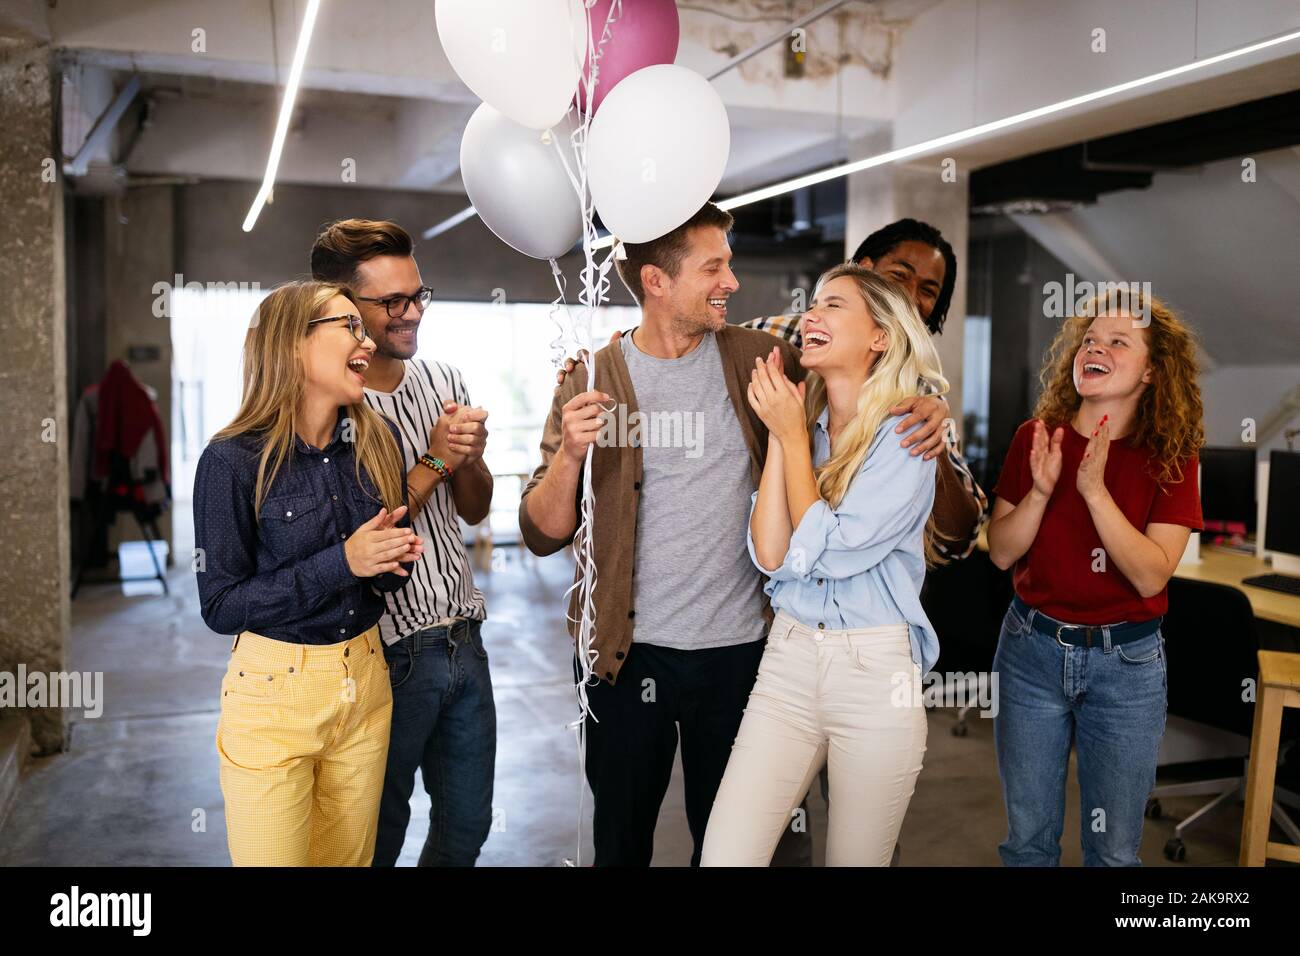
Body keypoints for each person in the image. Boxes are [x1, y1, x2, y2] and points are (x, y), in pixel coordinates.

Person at [520, 202, 813, 865]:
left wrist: (924, 393)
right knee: (621, 844)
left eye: (729, 264)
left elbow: (859, 376)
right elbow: (541, 534)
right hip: (626, 660)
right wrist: (569, 456)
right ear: (656, 281)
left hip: (742, 656)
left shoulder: (762, 359)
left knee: (740, 848)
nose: (731, 282)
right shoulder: (588, 378)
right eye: (713, 267)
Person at [701, 265, 943, 866]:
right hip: (787, 663)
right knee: (725, 858)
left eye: (833, 306)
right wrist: (786, 437)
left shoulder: (907, 437)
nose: (810, 315)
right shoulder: (802, 432)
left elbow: (830, 553)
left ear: (881, 337)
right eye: (811, 304)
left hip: (874, 672)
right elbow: (772, 553)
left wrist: (785, 436)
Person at [194, 280, 423, 866]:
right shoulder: (230, 460)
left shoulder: (379, 441)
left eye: (361, 326)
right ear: (291, 345)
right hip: (272, 696)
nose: (366, 339)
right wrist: (342, 561)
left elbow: (378, 582)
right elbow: (221, 605)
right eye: (347, 325)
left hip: (366, 684)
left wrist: (387, 563)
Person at [986, 290, 1204, 866]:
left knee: (1112, 853)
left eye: (1117, 341)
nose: (1095, 347)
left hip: (1126, 669)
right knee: (1028, 843)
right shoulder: (1036, 438)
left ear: (1153, 370)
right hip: (1031, 652)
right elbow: (1002, 553)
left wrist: (1094, 491)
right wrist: (1038, 491)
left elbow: (1152, 574)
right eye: (1089, 339)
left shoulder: (1172, 455)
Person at [310, 218, 497, 867]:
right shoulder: (334, 408)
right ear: (342, 308)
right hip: (387, 658)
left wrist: (469, 460)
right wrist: (436, 460)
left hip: (464, 640)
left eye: (419, 295)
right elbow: (360, 542)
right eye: (393, 301)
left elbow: (473, 511)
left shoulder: (443, 379)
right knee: (375, 836)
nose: (413, 312)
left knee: (468, 824)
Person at [744, 217, 986, 561]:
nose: (909, 296)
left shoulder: (914, 408)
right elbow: (773, 556)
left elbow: (959, 538)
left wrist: (933, 445)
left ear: (882, 337)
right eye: (899, 275)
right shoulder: (769, 338)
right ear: (864, 269)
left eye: (928, 291)